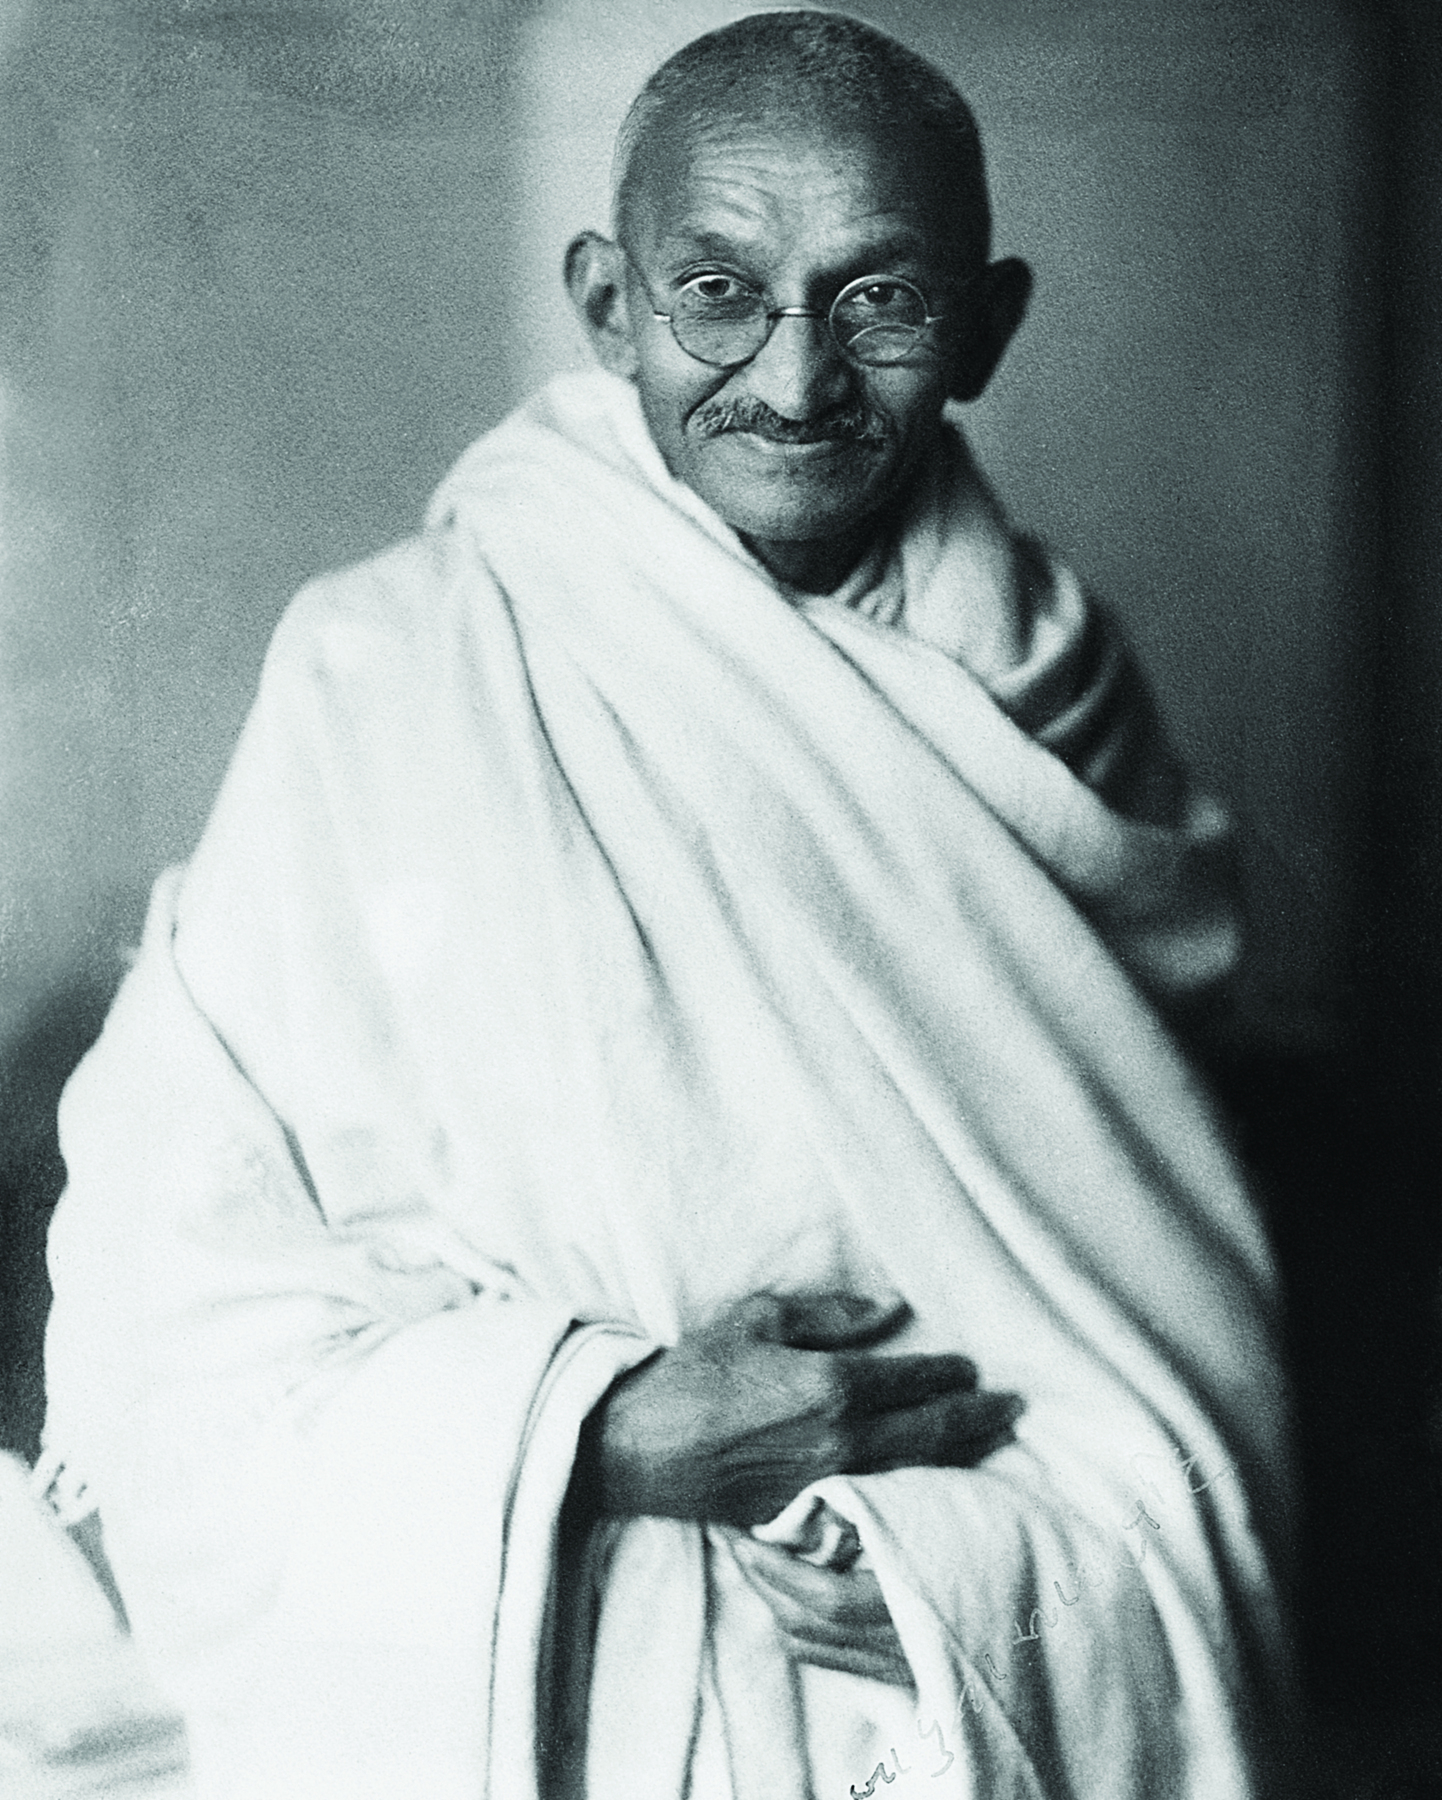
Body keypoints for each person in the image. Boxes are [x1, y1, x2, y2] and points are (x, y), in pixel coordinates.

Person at [42, 13, 1296, 1798]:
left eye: (882, 301)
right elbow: (171, 1290)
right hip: (552, 1669)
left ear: (992, 324)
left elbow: (1173, 1358)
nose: (794, 383)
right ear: (606, 302)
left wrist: (995, 1588)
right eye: (719, 290)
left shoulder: (1061, 707)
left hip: (904, 1704)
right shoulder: (392, 669)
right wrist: (590, 1435)